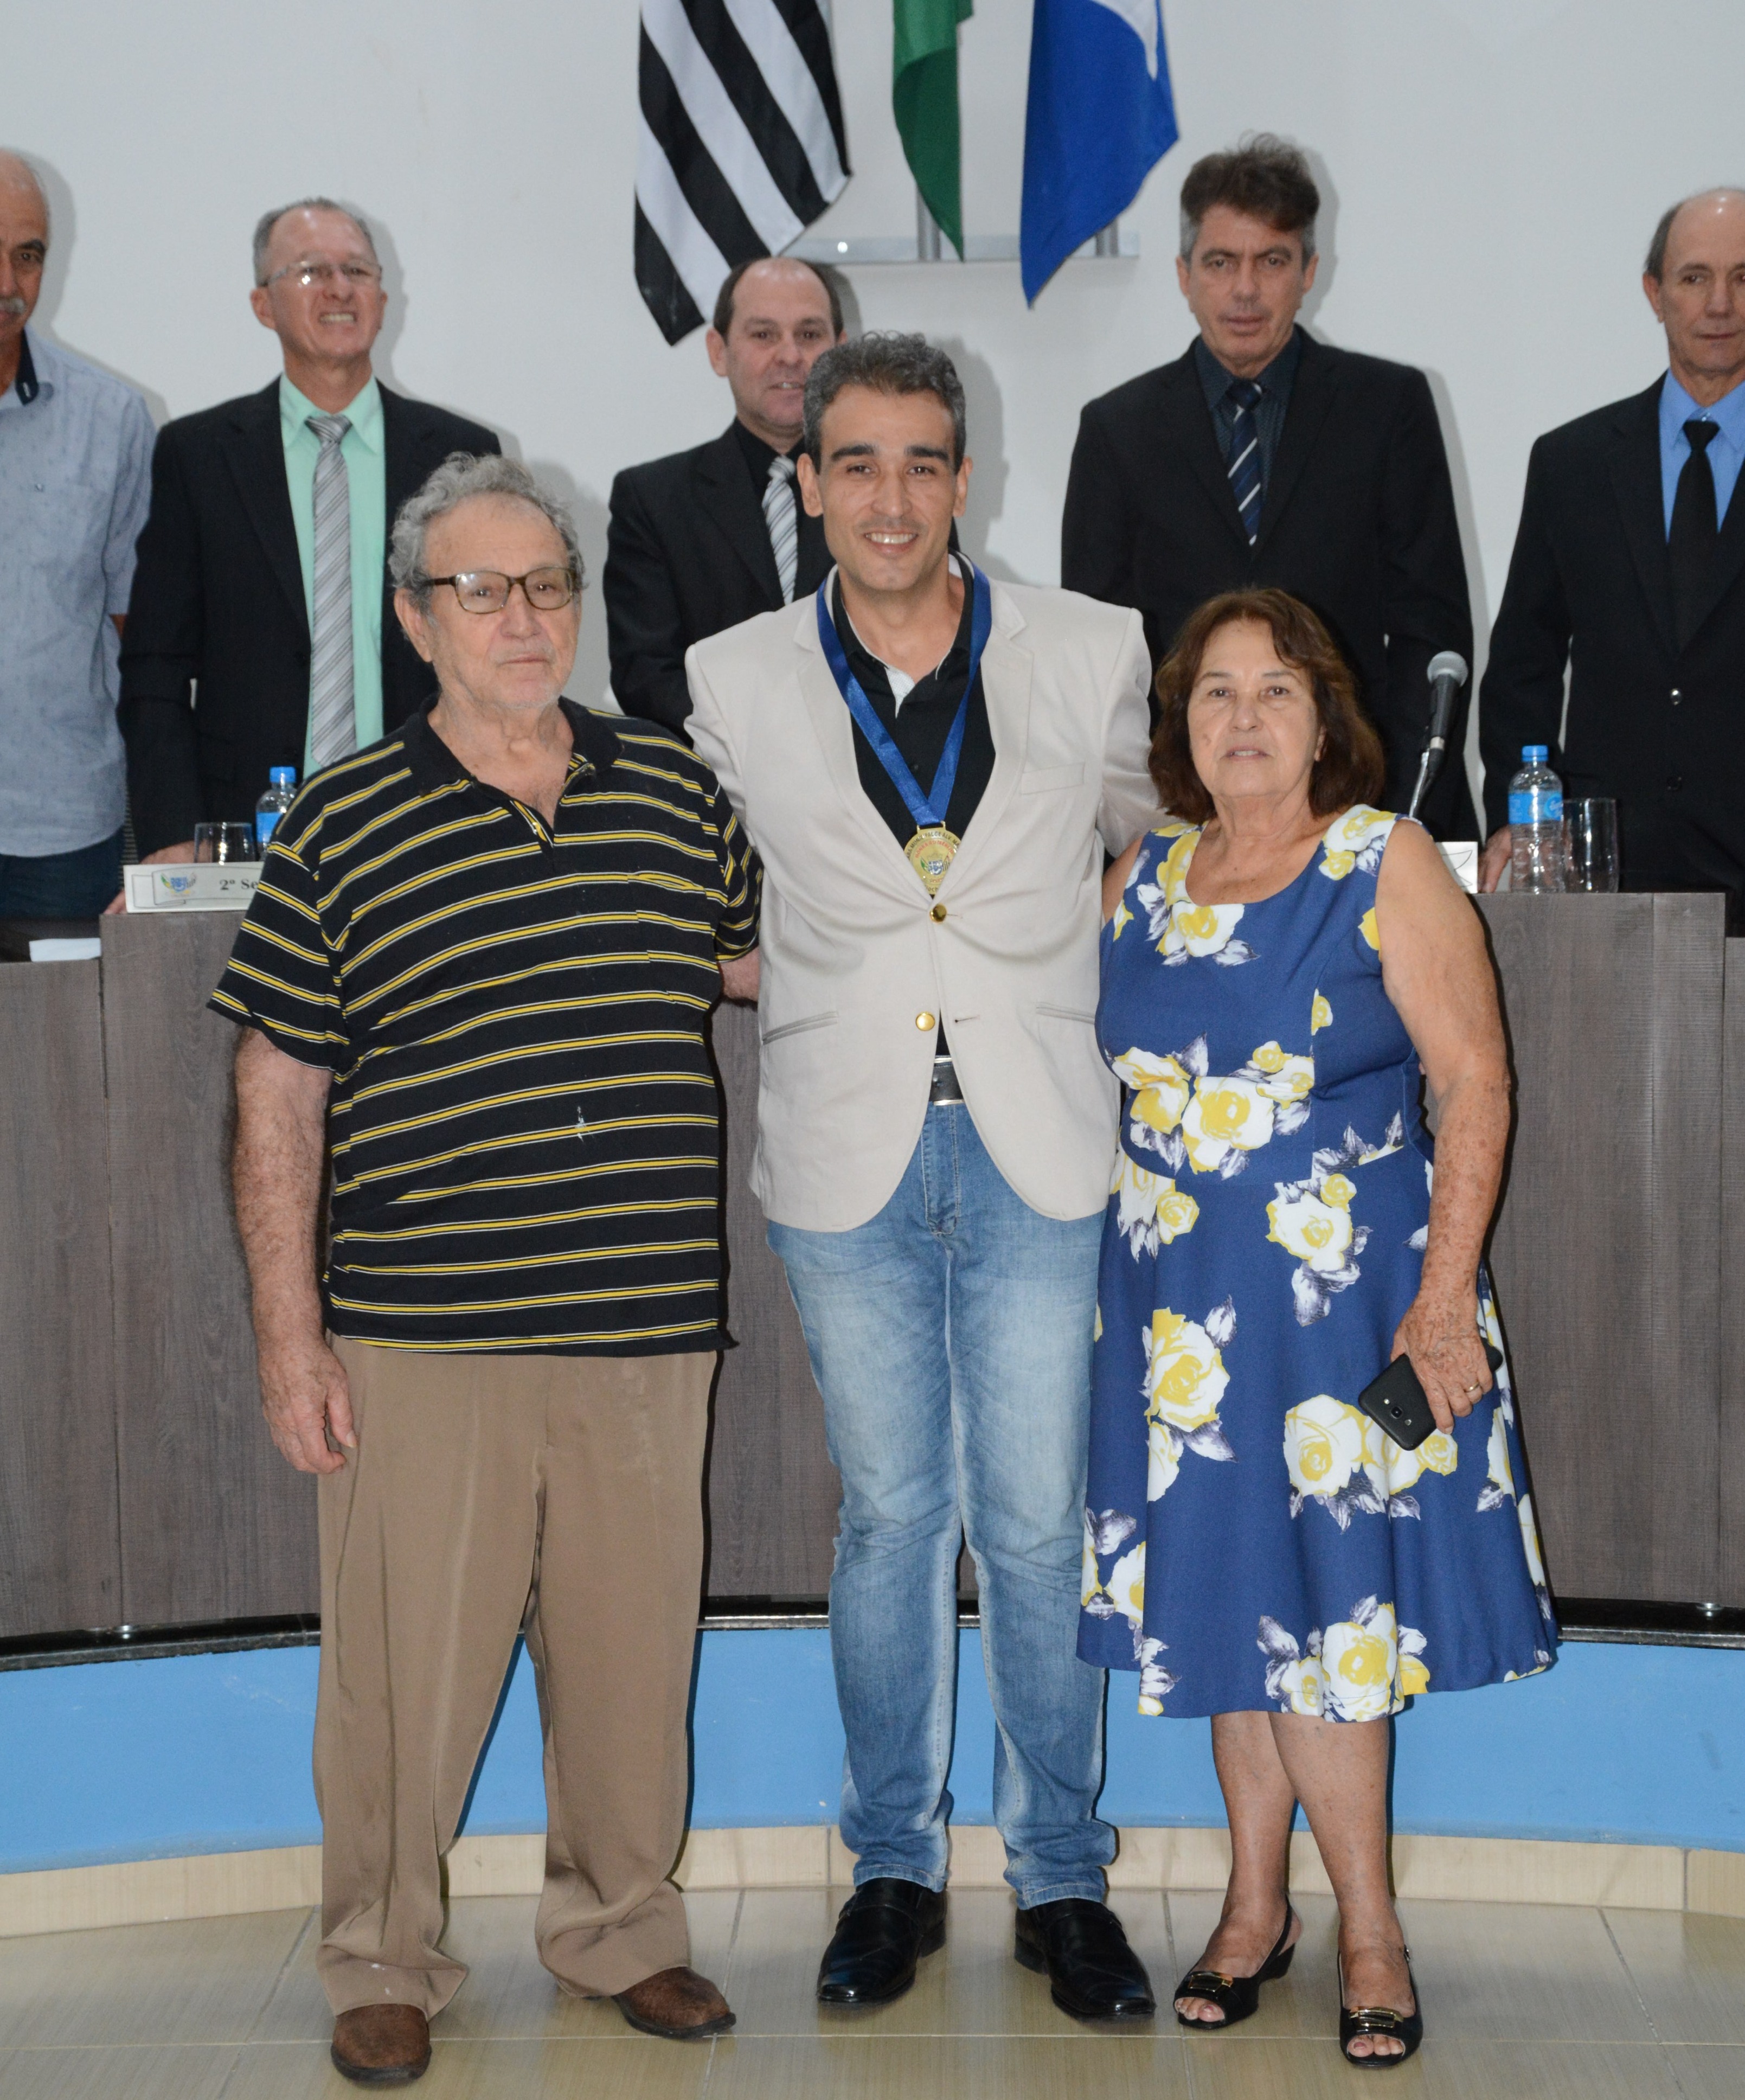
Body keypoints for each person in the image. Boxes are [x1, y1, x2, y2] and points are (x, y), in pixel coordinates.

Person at [210, 454, 755, 2085]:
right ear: (413, 618)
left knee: (630, 1663)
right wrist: (290, 1338)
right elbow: (275, 1091)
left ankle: (622, 1933)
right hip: (422, 1330)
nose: (521, 618)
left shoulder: (673, 791)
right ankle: (380, 1955)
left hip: (644, 1324)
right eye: (480, 589)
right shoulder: (343, 822)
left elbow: (766, 969)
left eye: (546, 584)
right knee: (399, 1680)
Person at [687, 334, 1162, 2022]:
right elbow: (700, 893)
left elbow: (1152, 838)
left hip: (1041, 1132)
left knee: (1032, 1518)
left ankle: (1061, 1878)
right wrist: (815, 976)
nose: (890, 498)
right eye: (857, 464)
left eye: (922, 463)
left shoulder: (1091, 647)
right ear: (808, 483)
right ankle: (889, 1864)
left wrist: (1041, 960)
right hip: (844, 1146)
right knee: (891, 1517)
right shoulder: (730, 675)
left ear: (967, 479)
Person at [1083, 588, 1556, 2066]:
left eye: (1273, 690)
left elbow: (1472, 1079)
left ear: (1322, 719)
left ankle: (1368, 1929)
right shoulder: (1141, 875)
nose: (1241, 718)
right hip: (1171, 1319)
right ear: (1179, 724)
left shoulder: (1379, 859)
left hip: (1346, 1317)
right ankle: (1251, 1906)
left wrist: (1441, 1299)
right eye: (1213, 692)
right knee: (1228, 1606)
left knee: (1331, 1621)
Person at [1062, 135, 1478, 840]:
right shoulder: (1116, 431)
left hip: (1360, 805)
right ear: (1183, 274)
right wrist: (1154, 819)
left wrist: (1390, 815)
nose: (1245, 290)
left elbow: (1429, 632)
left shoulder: (1388, 408)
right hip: (1184, 818)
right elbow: (1099, 659)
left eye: (1272, 261)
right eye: (1220, 262)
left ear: (1309, 270)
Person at [117, 197, 498, 872]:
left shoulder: (458, 454)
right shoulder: (197, 456)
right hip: (245, 831)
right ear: (263, 305)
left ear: (383, 298)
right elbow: (155, 668)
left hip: (428, 818)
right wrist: (172, 831)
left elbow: (486, 649)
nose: (339, 288)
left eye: (357, 270)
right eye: (311, 271)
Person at [1479, 188, 1745, 909]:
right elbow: (1522, 667)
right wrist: (1519, 820)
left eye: (1741, 278)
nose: (1719, 304)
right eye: (1693, 278)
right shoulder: (1572, 463)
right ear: (1654, 294)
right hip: (1602, 871)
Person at [0, 150, 153, 919]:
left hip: (61, 839)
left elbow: (140, 636)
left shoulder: (111, 419)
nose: (7, 282)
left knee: (64, 1010)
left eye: (27, 256)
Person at [605, 255, 845, 732]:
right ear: (719, 351)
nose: (790, 355)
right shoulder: (652, 501)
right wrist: (752, 749)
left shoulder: (892, 493)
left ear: (840, 352)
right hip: (713, 772)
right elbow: (646, 677)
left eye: (809, 334)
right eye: (764, 334)